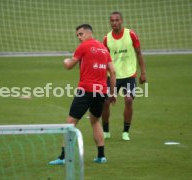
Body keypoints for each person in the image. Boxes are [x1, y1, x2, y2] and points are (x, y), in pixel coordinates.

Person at [49, 24, 116, 165]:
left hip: (85, 90)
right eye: (77, 35)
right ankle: (101, 156)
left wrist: (66, 60)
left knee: (70, 123)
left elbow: (69, 66)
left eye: (80, 34)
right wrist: (112, 92)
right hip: (101, 91)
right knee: (95, 120)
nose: (79, 37)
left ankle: (63, 157)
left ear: (88, 33)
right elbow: (113, 72)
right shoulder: (104, 49)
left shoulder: (83, 47)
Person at [101, 11, 147, 141]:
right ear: (110, 22)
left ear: (121, 21)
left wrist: (143, 73)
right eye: (112, 20)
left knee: (128, 100)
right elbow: (104, 60)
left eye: (116, 20)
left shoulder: (130, 34)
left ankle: (125, 131)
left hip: (129, 75)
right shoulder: (106, 39)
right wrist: (104, 78)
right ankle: (106, 131)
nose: (114, 23)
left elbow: (139, 53)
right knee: (105, 102)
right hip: (113, 76)